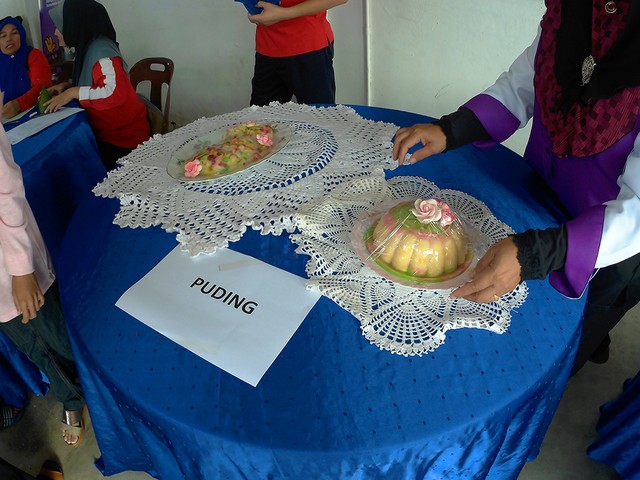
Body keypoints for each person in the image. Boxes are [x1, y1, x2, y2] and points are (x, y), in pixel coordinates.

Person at [392, 0, 640, 374]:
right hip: (540, 193)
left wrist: (538, 254)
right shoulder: (573, 9)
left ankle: (587, 346)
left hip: (608, 243)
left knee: (571, 334)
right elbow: (524, 83)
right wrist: (452, 129)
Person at [0, 101, 85, 446]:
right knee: (34, 349)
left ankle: (92, 387)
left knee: (59, 336)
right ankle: (72, 397)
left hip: (13, 268)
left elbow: (7, 193)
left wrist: (21, 270)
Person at [44, 0, 149, 171]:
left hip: (124, 139)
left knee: (80, 165)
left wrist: (73, 92)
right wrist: (67, 86)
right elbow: (95, 83)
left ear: (75, 24)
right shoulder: (88, 47)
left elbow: (114, 93)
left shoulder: (102, 53)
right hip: (110, 133)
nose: (55, 32)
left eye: (60, 26)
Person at [246, 0, 348, 106]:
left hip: (310, 49)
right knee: (261, 115)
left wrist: (284, 14)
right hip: (268, 47)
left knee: (318, 114)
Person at [0, 16, 52, 119]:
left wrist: (18, 104)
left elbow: (42, 86)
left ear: (22, 35)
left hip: (37, 114)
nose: (9, 39)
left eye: (14, 33)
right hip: (5, 120)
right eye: (3, 36)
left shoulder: (33, 55)